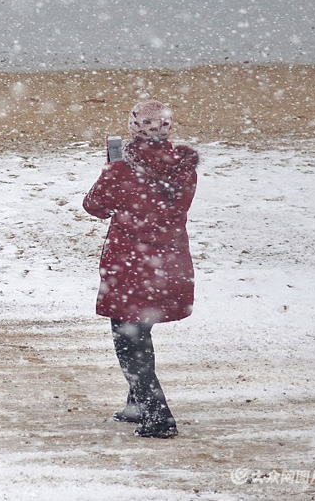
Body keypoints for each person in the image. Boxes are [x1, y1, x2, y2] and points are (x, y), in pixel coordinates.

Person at [82, 99, 199, 438]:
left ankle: (158, 415)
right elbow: (167, 208)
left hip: (131, 265)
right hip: (168, 264)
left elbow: (94, 206)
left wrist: (110, 170)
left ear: (134, 129)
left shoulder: (123, 168)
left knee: (129, 342)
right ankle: (136, 404)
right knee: (141, 334)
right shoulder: (184, 167)